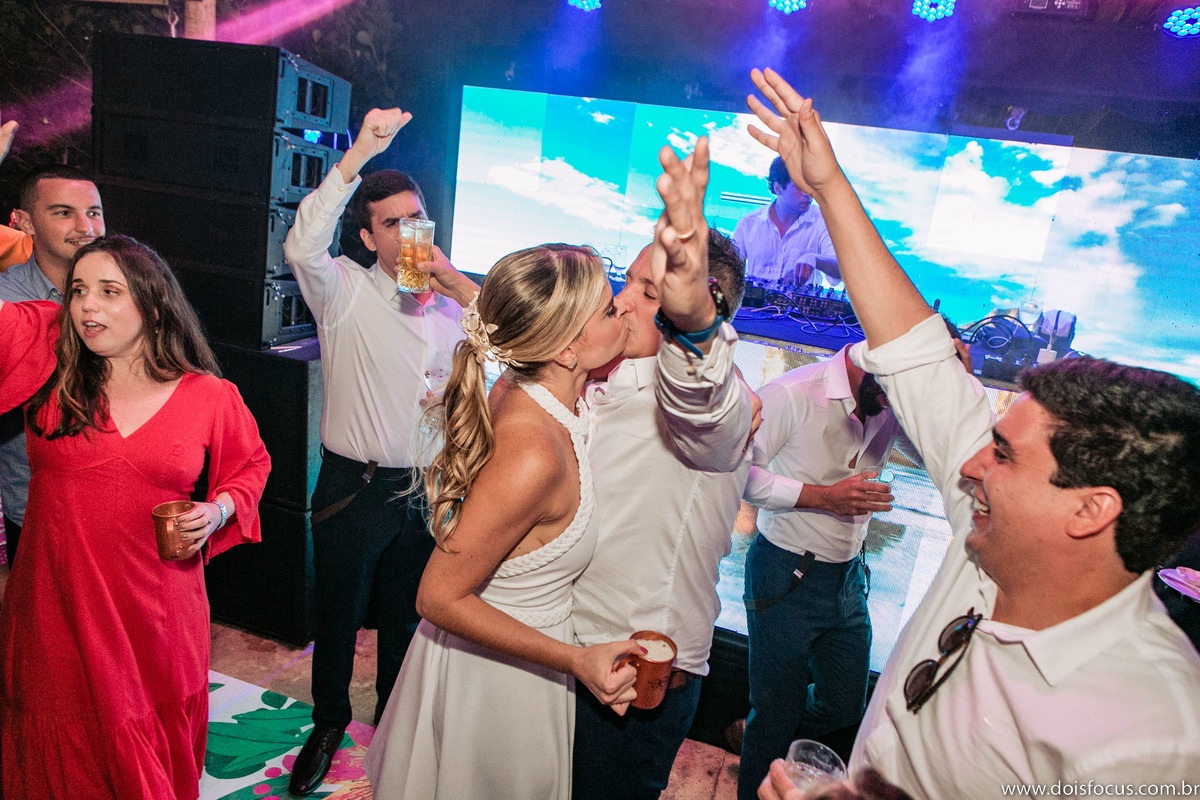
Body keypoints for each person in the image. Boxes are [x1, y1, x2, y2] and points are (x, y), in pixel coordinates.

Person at [745, 67, 1200, 796]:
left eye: (1003, 453)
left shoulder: (1151, 736)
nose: (967, 467)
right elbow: (915, 351)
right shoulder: (996, 533)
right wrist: (829, 188)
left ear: (1092, 508)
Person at [364, 242, 642, 799]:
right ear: (566, 349)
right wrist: (575, 660)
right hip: (498, 682)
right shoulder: (532, 453)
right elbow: (437, 597)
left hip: (518, 660)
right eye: (610, 308)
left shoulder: (531, 382)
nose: (628, 310)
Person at [0, 234, 271, 799]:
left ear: (152, 305)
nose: (87, 306)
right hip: (56, 606)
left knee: (145, 756)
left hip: (157, 615)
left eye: (108, 291)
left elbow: (250, 466)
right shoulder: (50, 367)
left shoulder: (209, 395)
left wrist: (217, 509)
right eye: (78, 291)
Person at [282, 108, 479, 796]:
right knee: (338, 611)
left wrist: (454, 285)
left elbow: (519, 347)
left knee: (406, 616)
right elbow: (302, 245)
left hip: (425, 492)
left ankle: (393, 721)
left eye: (415, 216)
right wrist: (359, 154)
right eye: (391, 222)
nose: (406, 230)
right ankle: (330, 720)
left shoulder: (453, 310)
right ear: (368, 237)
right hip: (354, 484)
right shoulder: (341, 290)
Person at [572, 167, 757, 795]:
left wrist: (691, 321)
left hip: (634, 676)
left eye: (651, 293)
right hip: (569, 652)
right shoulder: (617, 378)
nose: (623, 299)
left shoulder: (711, 403)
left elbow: (702, 395)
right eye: (630, 280)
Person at [737, 346, 907, 800]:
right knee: (774, 716)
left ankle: (764, 727)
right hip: (785, 570)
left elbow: (944, 456)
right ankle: (764, 735)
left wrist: (954, 386)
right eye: (895, 393)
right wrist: (822, 498)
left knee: (845, 704)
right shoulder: (792, 393)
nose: (895, 408)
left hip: (849, 578)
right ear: (873, 362)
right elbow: (738, 476)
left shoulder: (892, 395)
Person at [0, 163, 104, 564]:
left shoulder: (129, 291)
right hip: (35, 508)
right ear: (24, 222)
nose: (86, 227)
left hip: (112, 505)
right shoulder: (10, 300)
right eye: (63, 213)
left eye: (93, 212)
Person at [733, 156, 839, 289]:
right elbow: (727, 274)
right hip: (752, 309)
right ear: (777, 188)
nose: (808, 193)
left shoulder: (823, 221)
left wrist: (815, 259)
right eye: (799, 187)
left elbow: (842, 269)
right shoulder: (747, 225)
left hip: (800, 310)